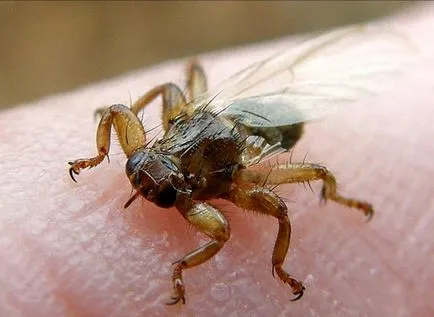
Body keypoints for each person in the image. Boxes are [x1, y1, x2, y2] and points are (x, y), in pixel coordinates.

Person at [1, 3, 433, 316]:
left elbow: (223, 229)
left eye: (162, 193)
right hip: (226, 113)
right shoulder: (174, 133)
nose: (148, 187)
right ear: (151, 146)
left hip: (265, 132)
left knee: (295, 195)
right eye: (140, 169)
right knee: (152, 95)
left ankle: (284, 259)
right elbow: (120, 111)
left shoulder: (229, 184)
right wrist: (100, 156)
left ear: (183, 194)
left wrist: (181, 268)